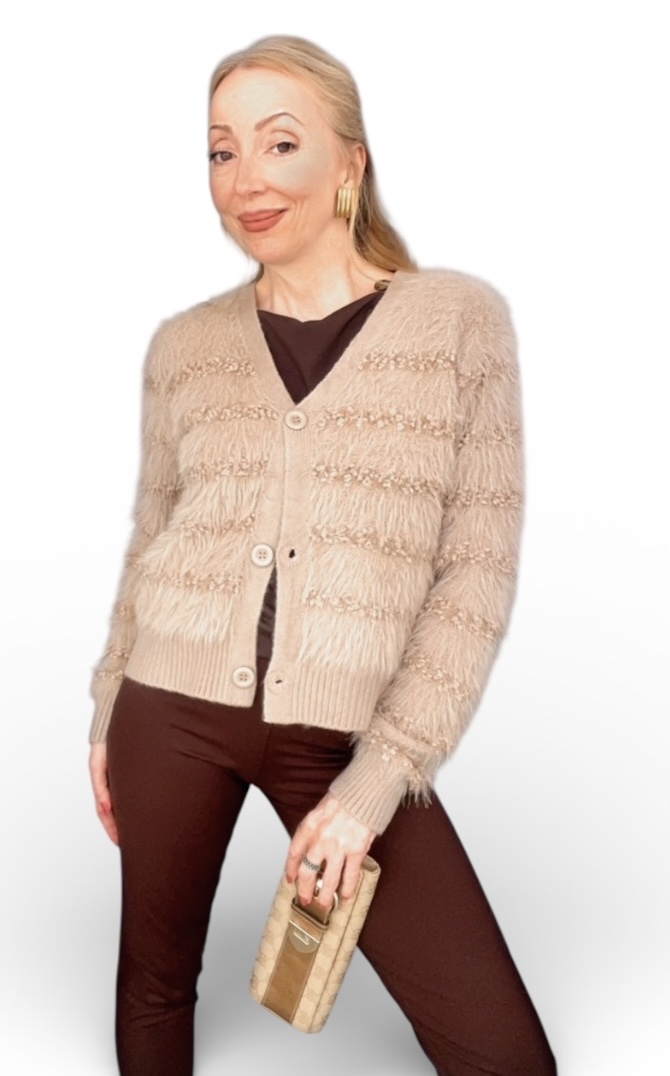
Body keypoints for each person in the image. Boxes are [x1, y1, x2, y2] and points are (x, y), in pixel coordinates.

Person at [88, 34, 557, 1076]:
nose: (245, 179)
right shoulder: (184, 347)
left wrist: (371, 786)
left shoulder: (457, 323)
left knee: (504, 1056)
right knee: (155, 989)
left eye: (279, 142)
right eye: (221, 151)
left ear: (350, 161)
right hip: (170, 708)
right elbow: (153, 533)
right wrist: (109, 699)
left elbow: (475, 576)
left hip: (344, 738)